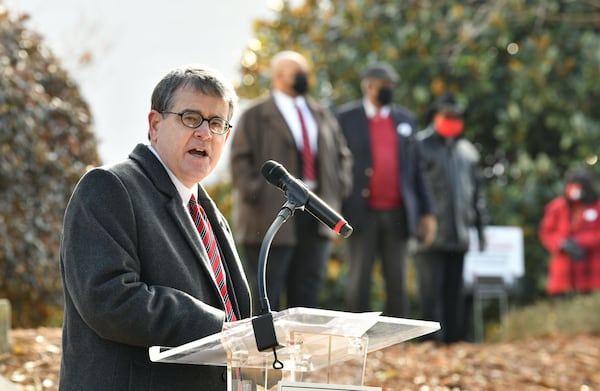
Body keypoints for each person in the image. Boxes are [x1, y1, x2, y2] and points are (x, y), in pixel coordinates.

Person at [58, 65, 251, 390]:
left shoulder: (209, 213)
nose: (205, 133)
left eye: (217, 123)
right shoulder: (109, 187)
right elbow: (108, 299)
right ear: (155, 124)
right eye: (191, 118)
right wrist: (220, 328)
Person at [230, 50, 353, 314]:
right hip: (270, 215)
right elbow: (239, 162)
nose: (304, 77)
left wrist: (337, 189)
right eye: (297, 72)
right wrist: (259, 194)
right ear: (278, 76)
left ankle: (301, 354)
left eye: (305, 72)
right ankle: (266, 352)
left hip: (315, 212)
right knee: (267, 293)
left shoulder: (321, 114)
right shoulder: (255, 115)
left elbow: (342, 155)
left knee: (307, 293)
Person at [335, 62, 437, 318]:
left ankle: (398, 343)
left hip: (399, 213)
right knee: (359, 280)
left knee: (398, 280)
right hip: (360, 212)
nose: (390, 90)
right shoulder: (346, 118)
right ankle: (357, 340)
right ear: (369, 86)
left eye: (392, 86)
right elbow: (335, 165)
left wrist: (428, 212)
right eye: (385, 86)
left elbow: (416, 169)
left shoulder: (405, 119)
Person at [414, 92, 488, 343]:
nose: (453, 121)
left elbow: (477, 194)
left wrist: (481, 228)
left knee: (455, 292)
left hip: (460, 233)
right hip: (431, 234)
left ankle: (454, 341)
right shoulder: (420, 145)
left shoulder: (468, 152)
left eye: (458, 117)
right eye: (448, 116)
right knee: (430, 292)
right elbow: (412, 189)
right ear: (435, 116)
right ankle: (431, 342)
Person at [539, 167, 600, 295]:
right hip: (563, 273)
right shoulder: (558, 206)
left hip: (592, 270)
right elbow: (546, 232)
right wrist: (562, 244)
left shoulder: (597, 206)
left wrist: (580, 241)